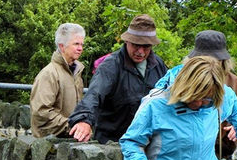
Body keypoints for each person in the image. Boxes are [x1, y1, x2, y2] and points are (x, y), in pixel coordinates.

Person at [151, 30, 237, 158]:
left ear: (223, 61)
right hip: (177, 154)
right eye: (203, 60)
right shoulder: (174, 79)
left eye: (215, 60)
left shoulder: (232, 83)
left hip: (219, 154)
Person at [68, 14, 167, 143]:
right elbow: (94, 94)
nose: (141, 52)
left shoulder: (158, 65)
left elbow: (170, 96)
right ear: (127, 41)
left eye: (146, 46)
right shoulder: (111, 66)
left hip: (148, 142)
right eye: (136, 45)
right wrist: (83, 120)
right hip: (113, 142)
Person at [29, 23, 85, 138]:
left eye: (81, 44)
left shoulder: (76, 73)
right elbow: (41, 113)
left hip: (69, 142)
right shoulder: (49, 74)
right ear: (62, 46)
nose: (80, 48)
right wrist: (72, 126)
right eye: (76, 44)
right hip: (50, 147)